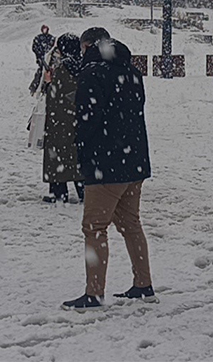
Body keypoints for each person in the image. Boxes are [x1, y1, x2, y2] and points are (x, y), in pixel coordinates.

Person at [62, 27, 155, 310]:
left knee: (94, 227)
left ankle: (94, 293)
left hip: (105, 164)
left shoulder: (91, 74)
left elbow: (87, 120)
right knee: (131, 224)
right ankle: (144, 285)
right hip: (134, 161)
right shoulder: (132, 71)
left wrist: (82, 147)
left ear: (88, 45)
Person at [42, 33, 85, 204]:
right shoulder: (85, 66)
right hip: (79, 119)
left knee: (57, 156)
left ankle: (58, 192)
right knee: (78, 156)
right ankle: (84, 190)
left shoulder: (62, 69)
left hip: (59, 121)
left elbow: (55, 96)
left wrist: (48, 83)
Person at [29, 25, 56, 94]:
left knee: (49, 73)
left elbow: (53, 48)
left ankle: (46, 88)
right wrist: (39, 56)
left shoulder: (51, 38)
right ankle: (34, 87)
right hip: (41, 59)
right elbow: (34, 48)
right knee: (40, 72)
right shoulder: (38, 38)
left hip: (49, 59)